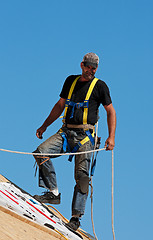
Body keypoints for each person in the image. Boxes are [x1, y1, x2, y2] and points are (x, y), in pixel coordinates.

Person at [33, 52, 116, 231]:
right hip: (66, 132)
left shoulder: (100, 86)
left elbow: (111, 111)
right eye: (88, 67)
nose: (91, 70)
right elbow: (60, 105)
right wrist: (44, 126)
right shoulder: (71, 81)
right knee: (41, 152)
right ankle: (53, 193)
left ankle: (75, 218)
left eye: (94, 68)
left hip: (85, 137)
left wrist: (111, 137)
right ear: (82, 65)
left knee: (82, 177)